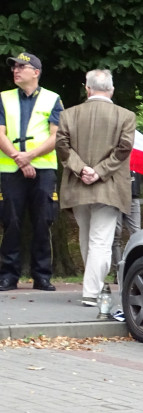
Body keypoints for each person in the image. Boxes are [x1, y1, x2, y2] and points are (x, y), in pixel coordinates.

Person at [55, 68, 135, 307]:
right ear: (111, 89)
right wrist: (98, 171)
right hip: (109, 186)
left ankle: (94, 286)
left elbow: (62, 147)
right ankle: (92, 291)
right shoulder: (126, 116)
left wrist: (82, 170)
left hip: (78, 186)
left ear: (87, 88)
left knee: (86, 236)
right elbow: (124, 149)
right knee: (100, 240)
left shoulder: (68, 114)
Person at [0, 52, 63, 292]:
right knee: (10, 221)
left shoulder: (53, 99)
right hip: (10, 169)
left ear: (35, 72)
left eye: (21, 67)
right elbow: (0, 133)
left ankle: (42, 275)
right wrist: (20, 158)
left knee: (42, 221)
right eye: (13, 67)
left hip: (44, 169)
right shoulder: (3, 98)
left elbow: (56, 136)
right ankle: (8, 275)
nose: (15, 70)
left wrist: (30, 156)